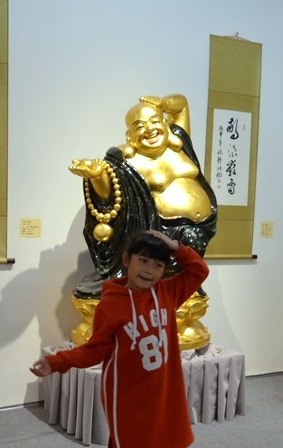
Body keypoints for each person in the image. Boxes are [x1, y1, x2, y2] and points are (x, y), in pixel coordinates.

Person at [30, 229, 209, 448]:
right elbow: (94, 350)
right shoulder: (111, 304)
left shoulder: (168, 292)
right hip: (125, 399)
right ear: (127, 260)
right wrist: (57, 362)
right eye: (143, 261)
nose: (149, 270)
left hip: (157, 396)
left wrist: (175, 246)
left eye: (158, 265)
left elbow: (199, 270)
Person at [69, 94, 217, 299]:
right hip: (160, 234)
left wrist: (163, 104)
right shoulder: (126, 162)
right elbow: (109, 198)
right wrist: (97, 176)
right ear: (129, 136)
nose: (149, 129)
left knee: (189, 280)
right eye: (140, 126)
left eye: (155, 121)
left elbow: (181, 105)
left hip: (201, 229)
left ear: (165, 124)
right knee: (160, 285)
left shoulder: (180, 143)